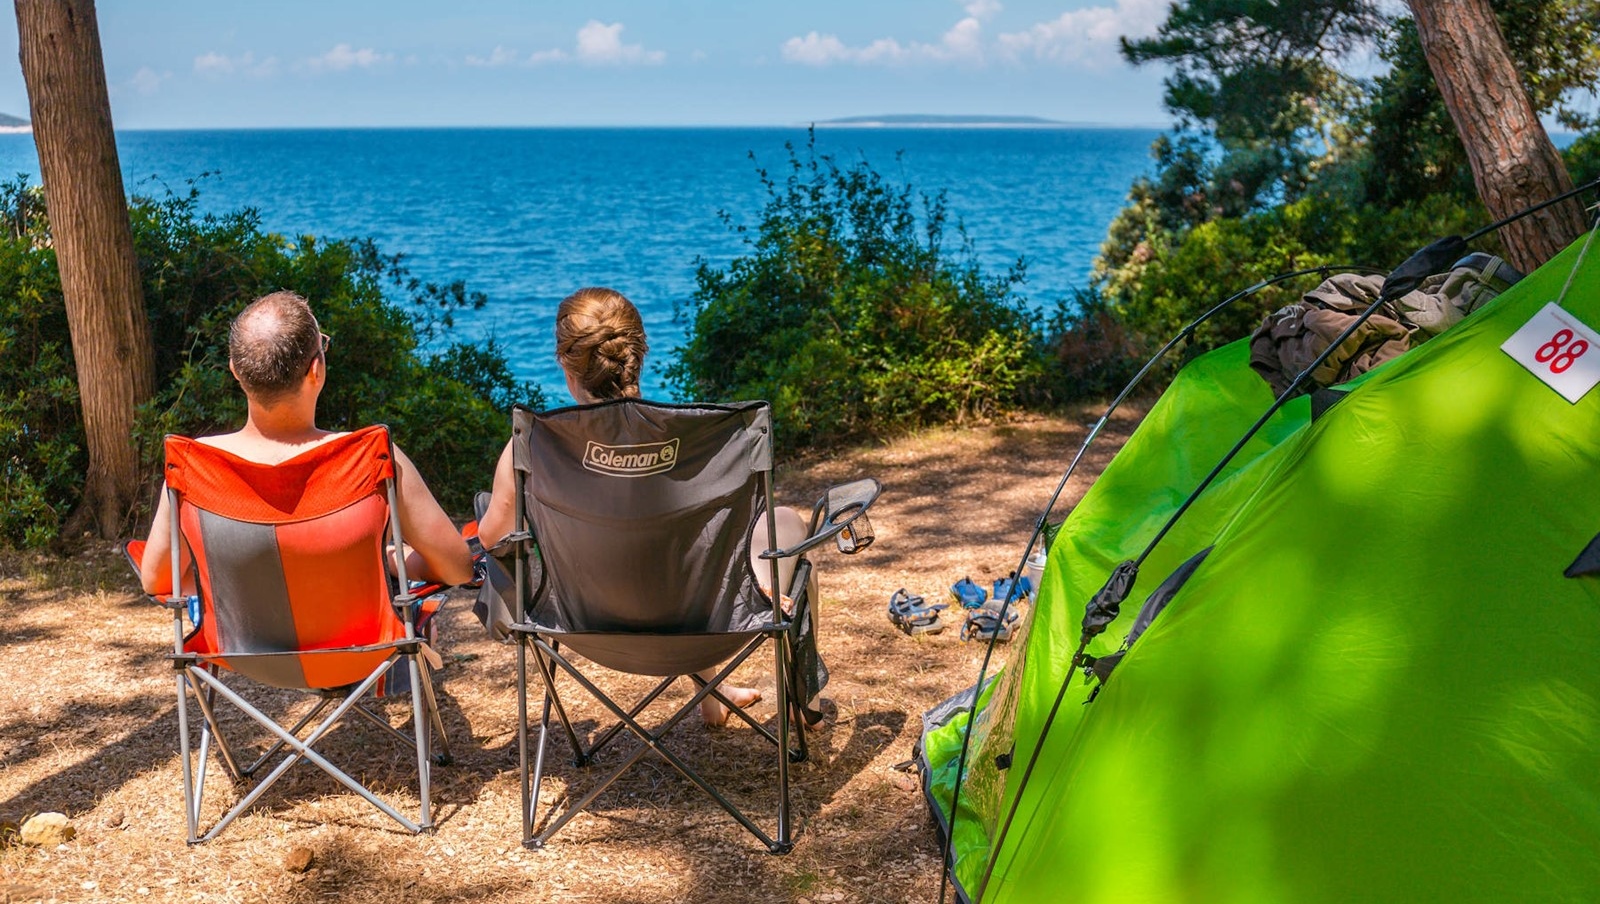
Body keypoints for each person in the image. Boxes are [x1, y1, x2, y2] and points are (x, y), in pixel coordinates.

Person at [476, 286, 818, 727]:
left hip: (586, 626)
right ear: (639, 354)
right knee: (784, 523)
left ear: (566, 365)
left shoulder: (533, 446)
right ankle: (799, 697)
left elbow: (491, 536)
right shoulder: (698, 443)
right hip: (707, 624)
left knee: (649, 558)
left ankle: (714, 699)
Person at [139, 291, 474, 596]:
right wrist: (391, 563)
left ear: (235, 371)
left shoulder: (195, 465)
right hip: (363, 654)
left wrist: (228, 590)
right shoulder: (372, 457)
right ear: (316, 369)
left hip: (243, 652)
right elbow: (457, 568)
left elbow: (158, 581)